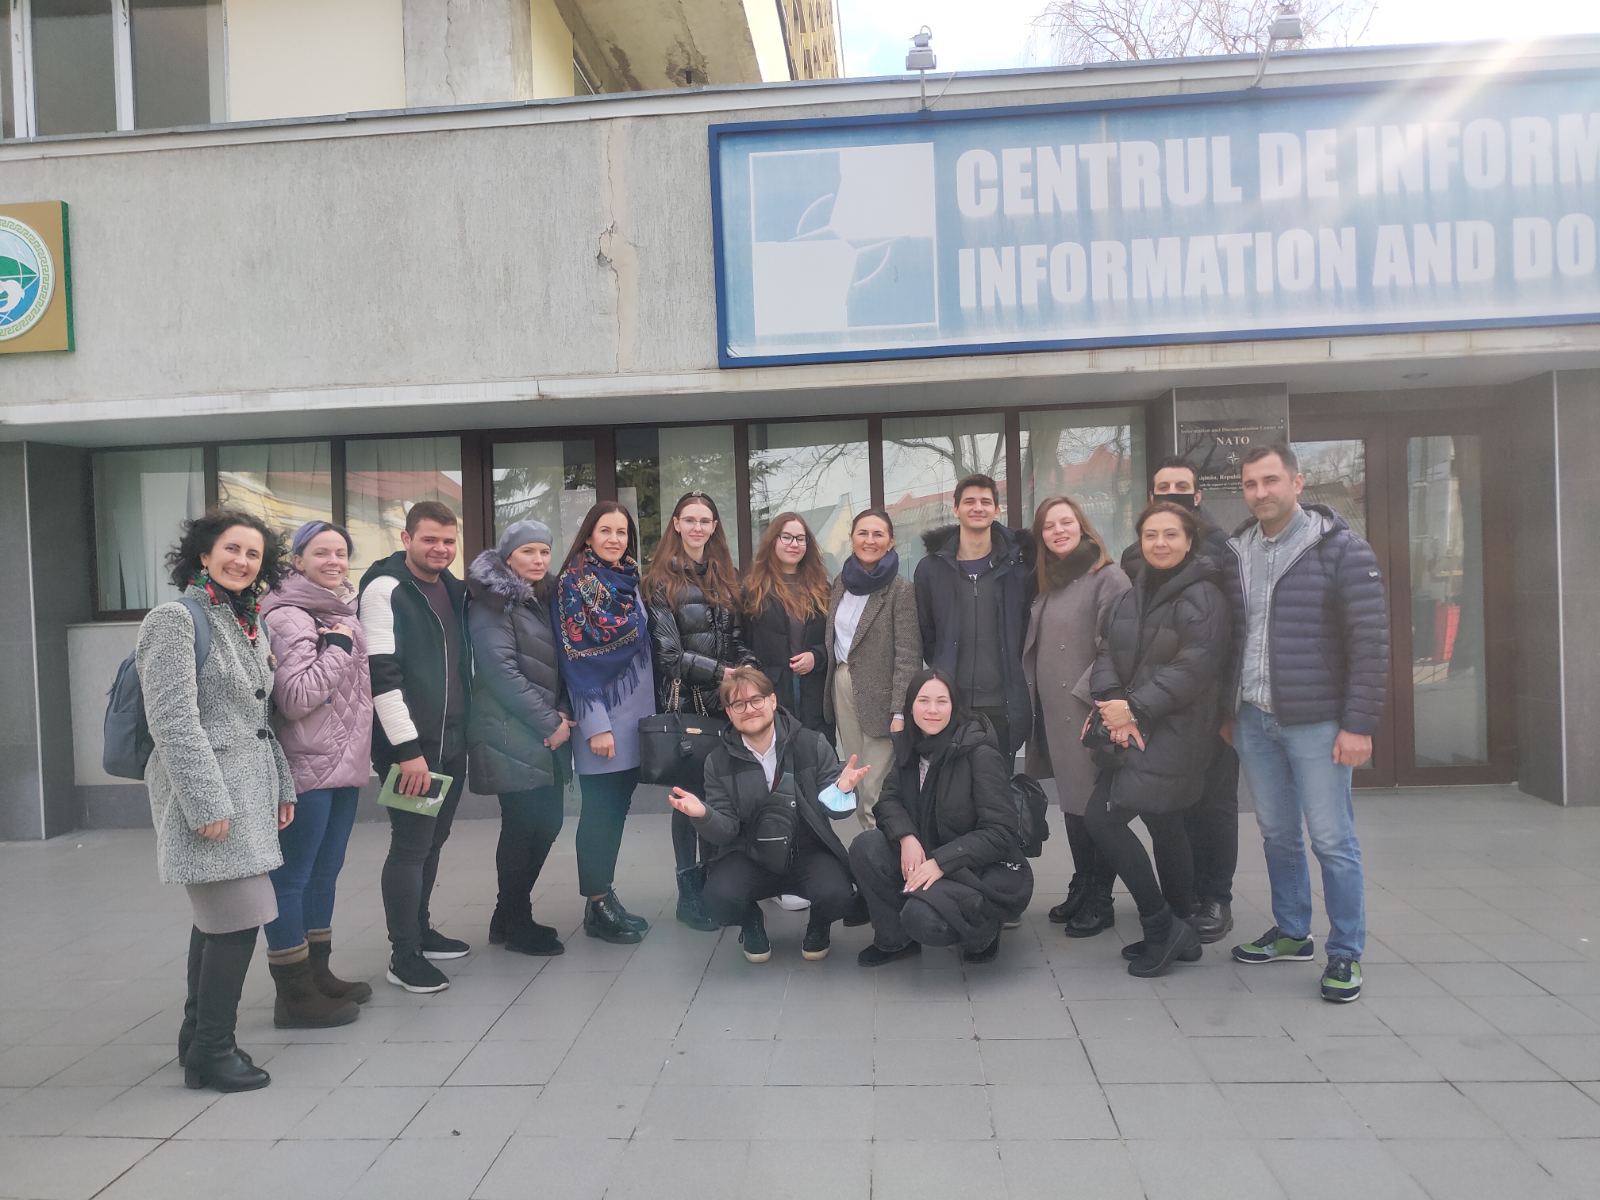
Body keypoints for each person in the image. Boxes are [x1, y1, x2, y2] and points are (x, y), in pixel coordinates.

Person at [137, 510, 296, 1092]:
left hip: (248, 793)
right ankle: (213, 1051)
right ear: (203, 555)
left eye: (253, 554)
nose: (242, 561)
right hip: (208, 797)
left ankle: (196, 1040)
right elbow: (173, 721)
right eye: (232, 549)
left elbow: (257, 716)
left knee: (217, 922)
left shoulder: (247, 621)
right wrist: (206, 804)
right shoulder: (175, 619)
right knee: (237, 921)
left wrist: (281, 784)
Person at [1224, 444, 1389, 1004]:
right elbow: (1231, 638)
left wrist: (1358, 723)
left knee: (1332, 839)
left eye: (1271, 480)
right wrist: (1228, 710)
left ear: (1297, 482)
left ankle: (1345, 951)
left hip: (1317, 722)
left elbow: (1370, 642)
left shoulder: (1340, 549)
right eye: (1251, 483)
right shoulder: (1238, 551)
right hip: (1253, 717)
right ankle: (1293, 931)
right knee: (1277, 833)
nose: (1261, 492)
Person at [1086, 501, 1232, 977]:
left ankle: (1159, 923)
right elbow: (1106, 652)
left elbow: (1195, 666)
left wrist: (1134, 708)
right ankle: (1180, 928)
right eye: (1151, 535)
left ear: (1189, 541)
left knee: (1103, 818)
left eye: (1170, 534)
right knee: (1164, 822)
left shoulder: (1204, 596)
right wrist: (1112, 704)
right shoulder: (1134, 593)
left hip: (1176, 729)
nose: (1160, 543)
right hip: (1132, 722)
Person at [666, 667, 871, 963]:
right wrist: (703, 815)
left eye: (756, 700)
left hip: (808, 850)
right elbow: (725, 830)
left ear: (772, 701)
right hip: (749, 853)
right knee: (717, 899)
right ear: (729, 712)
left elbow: (835, 812)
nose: (749, 709)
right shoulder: (718, 761)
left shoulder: (811, 744)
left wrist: (843, 789)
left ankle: (819, 923)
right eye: (738, 704)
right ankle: (751, 922)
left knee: (838, 894)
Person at [1119, 456, 1243, 943]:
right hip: (1157, 708)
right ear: (1152, 497)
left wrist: (1228, 709)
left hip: (1209, 707)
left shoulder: (1225, 554)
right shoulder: (1136, 557)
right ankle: (1185, 895)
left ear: (1197, 496)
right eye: (1163, 487)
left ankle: (1216, 897)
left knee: (1215, 805)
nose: (1172, 493)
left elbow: (1233, 636)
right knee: (1173, 806)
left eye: (1182, 486)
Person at [258, 520, 373, 1031]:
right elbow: (297, 697)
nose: (333, 561)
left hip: (341, 763)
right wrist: (340, 647)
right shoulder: (289, 614)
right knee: (293, 878)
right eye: (321, 552)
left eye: (340, 553)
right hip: (307, 763)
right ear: (297, 560)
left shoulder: (336, 610)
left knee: (325, 873)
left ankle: (318, 975)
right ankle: (294, 995)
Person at [358, 500, 472, 994]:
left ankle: (421, 931)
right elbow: (381, 676)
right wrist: (407, 751)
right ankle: (403, 955)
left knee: (433, 840)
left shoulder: (452, 589)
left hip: (451, 742)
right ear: (406, 539)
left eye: (448, 541)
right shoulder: (386, 589)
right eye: (429, 539)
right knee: (410, 846)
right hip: (411, 749)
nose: (440, 549)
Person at [848, 670, 1033, 966]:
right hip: (928, 849)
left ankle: (983, 931)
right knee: (866, 847)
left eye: (941, 701)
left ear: (954, 706)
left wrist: (941, 862)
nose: (932, 710)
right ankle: (895, 940)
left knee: (922, 919)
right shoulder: (911, 746)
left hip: (975, 868)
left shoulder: (979, 753)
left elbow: (1001, 831)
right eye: (923, 701)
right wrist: (906, 837)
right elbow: (889, 801)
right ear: (910, 707)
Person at [1021, 496, 1131, 939]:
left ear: (1082, 525)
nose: (1058, 531)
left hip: (1089, 712)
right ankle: (1082, 883)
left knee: (1094, 808)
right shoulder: (1051, 581)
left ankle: (1101, 898)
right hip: (1054, 714)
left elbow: (1116, 646)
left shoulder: (1108, 577)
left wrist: (1092, 697)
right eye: (1049, 526)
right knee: (1072, 806)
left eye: (1066, 522)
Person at [644, 491, 755, 931]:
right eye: (689, 519)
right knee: (688, 801)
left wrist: (748, 669)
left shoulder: (727, 577)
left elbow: (739, 639)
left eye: (704, 520)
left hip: (726, 707)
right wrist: (723, 673)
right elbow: (668, 655)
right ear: (676, 524)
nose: (697, 527)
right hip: (688, 707)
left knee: (720, 799)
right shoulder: (659, 581)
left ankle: (716, 885)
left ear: (714, 527)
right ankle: (688, 894)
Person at [467, 520, 574, 958]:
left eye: (544, 552)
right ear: (508, 556)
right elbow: (500, 672)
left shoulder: (541, 598)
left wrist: (562, 712)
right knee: (522, 827)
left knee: (547, 824)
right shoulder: (493, 601)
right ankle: (516, 923)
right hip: (510, 732)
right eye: (528, 551)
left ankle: (506, 915)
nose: (538, 559)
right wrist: (550, 722)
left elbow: (558, 662)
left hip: (543, 730)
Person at [555, 501, 655, 945]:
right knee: (599, 813)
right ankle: (597, 903)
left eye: (622, 532)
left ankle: (605, 895)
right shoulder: (573, 585)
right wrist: (596, 725)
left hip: (635, 720)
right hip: (602, 720)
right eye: (606, 531)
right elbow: (575, 660)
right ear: (589, 536)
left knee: (616, 811)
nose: (615, 539)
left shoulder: (629, 581)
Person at [913, 474, 1032, 758]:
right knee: (951, 782)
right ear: (956, 509)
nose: (978, 507)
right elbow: (926, 633)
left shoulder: (1018, 567)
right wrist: (944, 665)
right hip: (950, 701)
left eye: (985, 502)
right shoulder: (930, 569)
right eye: (969, 501)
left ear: (997, 509)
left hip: (1003, 701)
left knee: (997, 781)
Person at [824, 508, 921, 829]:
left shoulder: (900, 590)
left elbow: (908, 655)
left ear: (891, 541)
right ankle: (870, 847)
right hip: (843, 686)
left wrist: (899, 710)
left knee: (874, 787)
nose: (870, 540)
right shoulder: (840, 583)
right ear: (852, 538)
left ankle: (886, 851)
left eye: (878, 534)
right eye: (862, 533)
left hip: (883, 697)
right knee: (855, 777)